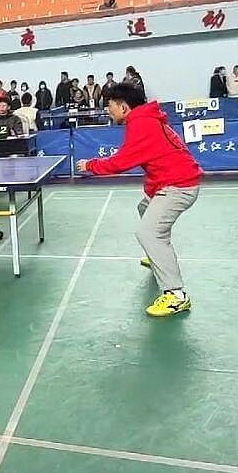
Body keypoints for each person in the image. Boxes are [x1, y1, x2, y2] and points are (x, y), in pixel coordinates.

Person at [76, 83, 202, 317]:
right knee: (144, 207)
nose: (108, 110)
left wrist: (90, 165)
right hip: (170, 181)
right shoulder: (145, 119)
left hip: (179, 186)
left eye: (110, 105)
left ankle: (176, 296)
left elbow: (121, 162)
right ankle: (156, 256)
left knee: (148, 233)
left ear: (123, 107)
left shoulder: (142, 124)